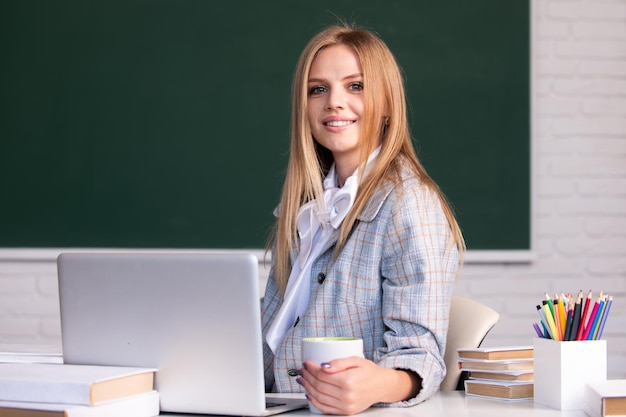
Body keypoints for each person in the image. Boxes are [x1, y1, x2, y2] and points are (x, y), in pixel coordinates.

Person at [261, 23, 465, 415]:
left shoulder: (409, 204)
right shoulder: (307, 209)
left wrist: (375, 384)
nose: (334, 102)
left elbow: (421, 356)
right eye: (317, 89)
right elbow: (269, 332)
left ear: (387, 102)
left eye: (355, 86)